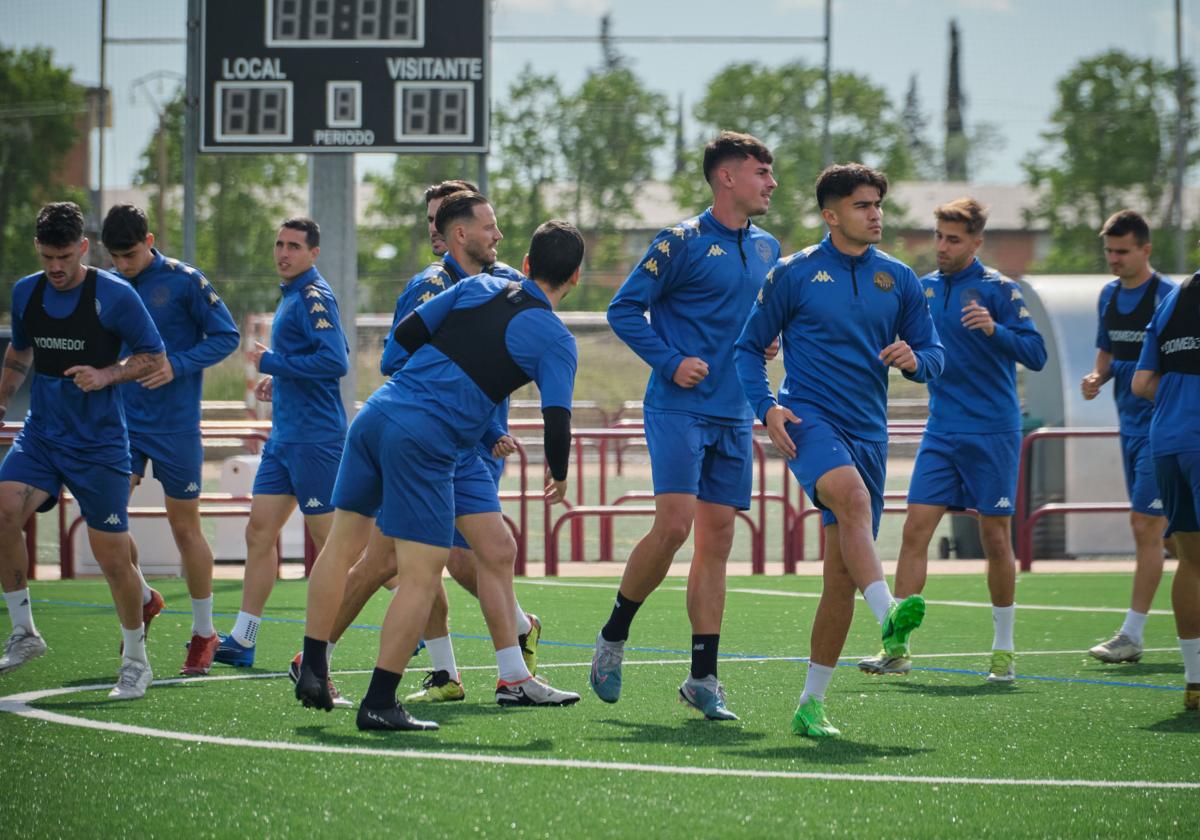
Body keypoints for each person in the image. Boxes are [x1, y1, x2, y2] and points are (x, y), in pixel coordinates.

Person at [296, 220, 585, 731]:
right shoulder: (557, 340)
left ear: (524, 264)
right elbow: (556, 419)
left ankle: (314, 662)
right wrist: (559, 474)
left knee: (342, 547)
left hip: (377, 414)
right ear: (576, 277)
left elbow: (406, 335)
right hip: (426, 439)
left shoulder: (477, 284)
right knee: (423, 573)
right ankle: (380, 700)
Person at [735, 163, 944, 737]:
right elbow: (747, 349)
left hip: (869, 433)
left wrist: (916, 361)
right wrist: (767, 406)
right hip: (809, 418)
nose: (875, 214)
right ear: (831, 216)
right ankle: (892, 615)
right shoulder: (792, 274)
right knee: (849, 499)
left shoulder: (900, 279)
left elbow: (934, 353)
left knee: (838, 580)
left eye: (878, 203)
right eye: (861, 205)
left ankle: (810, 704)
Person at [589, 131, 780, 721]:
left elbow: (757, 321)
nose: (771, 183)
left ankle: (703, 678)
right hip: (677, 407)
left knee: (717, 541)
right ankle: (614, 636)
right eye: (761, 172)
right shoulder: (680, 240)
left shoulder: (771, 248)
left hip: (734, 411)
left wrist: (764, 343)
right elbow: (623, 308)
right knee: (673, 527)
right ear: (727, 177)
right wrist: (671, 360)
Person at [857, 198, 1046, 682]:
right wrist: (907, 360)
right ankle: (895, 647)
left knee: (994, 538)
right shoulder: (921, 290)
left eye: (953, 239)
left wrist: (994, 329)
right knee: (916, 530)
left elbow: (1036, 353)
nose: (942, 246)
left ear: (977, 242)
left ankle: (1003, 649)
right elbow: (923, 361)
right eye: (939, 236)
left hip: (993, 430)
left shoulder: (1000, 289)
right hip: (941, 429)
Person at [0, 202, 165, 699]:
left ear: (84, 249)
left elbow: (153, 357)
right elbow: (19, 353)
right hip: (43, 434)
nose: (57, 267)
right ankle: (25, 632)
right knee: (4, 508)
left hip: (99, 442)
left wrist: (107, 373)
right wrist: (3, 397)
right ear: (38, 249)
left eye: (66, 256)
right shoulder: (26, 292)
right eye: (49, 256)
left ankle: (136, 661)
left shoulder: (114, 295)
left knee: (110, 555)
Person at [100, 204, 240, 676]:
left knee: (186, 529)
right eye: (115, 257)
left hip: (176, 426)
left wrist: (176, 364)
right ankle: (142, 600)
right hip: (121, 423)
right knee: (109, 523)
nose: (124, 264)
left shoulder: (185, 280)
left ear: (150, 239)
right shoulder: (106, 286)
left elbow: (227, 336)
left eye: (131, 254)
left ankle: (204, 633)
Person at [213, 217, 349, 667]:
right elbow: (304, 361)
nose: (283, 252)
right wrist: (279, 375)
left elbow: (335, 360)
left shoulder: (314, 295)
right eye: (278, 244)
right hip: (284, 440)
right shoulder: (291, 294)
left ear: (313, 253)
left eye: (293, 245)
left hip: (315, 440)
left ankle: (421, 626)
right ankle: (243, 638)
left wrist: (272, 360)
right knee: (259, 532)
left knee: (337, 546)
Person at [1082, 210, 1176, 663]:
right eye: (1109, 252)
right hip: (1129, 427)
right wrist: (1097, 376)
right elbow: (1108, 351)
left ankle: (1131, 635)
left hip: (1163, 427)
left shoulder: (1170, 297)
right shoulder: (1108, 294)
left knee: (1145, 526)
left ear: (1145, 250)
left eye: (1122, 252)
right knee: (1176, 537)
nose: (1114, 259)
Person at [1132, 275, 1200, 711]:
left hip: (1168, 440)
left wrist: (1180, 399)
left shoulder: (1174, 298)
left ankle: (1195, 682)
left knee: (1193, 561)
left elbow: (1141, 382)